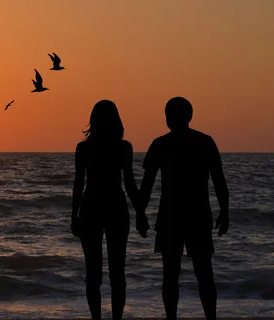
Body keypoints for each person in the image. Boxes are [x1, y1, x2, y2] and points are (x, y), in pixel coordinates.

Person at [137, 97, 229, 320]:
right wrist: (224, 211)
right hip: (197, 216)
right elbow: (219, 181)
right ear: (190, 117)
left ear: (168, 118)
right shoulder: (205, 142)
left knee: (171, 274)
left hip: (171, 216)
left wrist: (140, 214)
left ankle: (172, 318)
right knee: (203, 272)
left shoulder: (160, 144)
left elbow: (146, 185)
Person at [71, 100, 149, 320]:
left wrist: (74, 215)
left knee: (93, 274)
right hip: (115, 206)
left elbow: (79, 184)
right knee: (117, 273)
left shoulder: (84, 148)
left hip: (91, 207)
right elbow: (130, 184)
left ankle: (97, 318)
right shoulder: (123, 147)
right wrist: (140, 213)